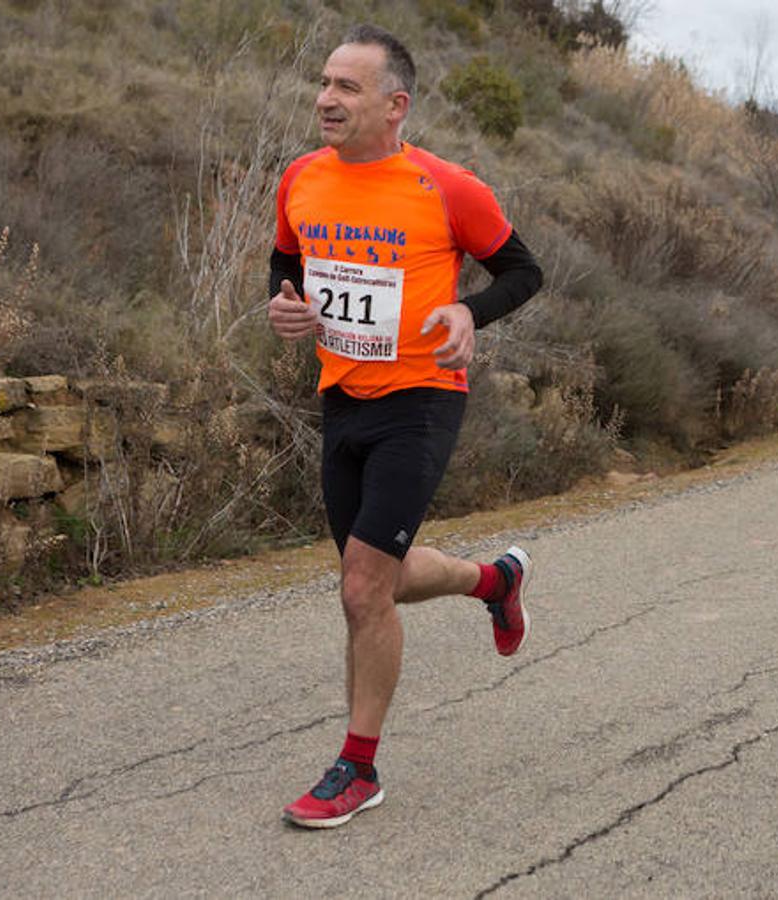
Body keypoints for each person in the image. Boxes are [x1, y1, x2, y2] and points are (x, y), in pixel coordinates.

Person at [266, 24, 544, 830]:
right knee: (374, 582)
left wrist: (467, 308)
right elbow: (287, 258)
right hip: (341, 394)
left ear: (395, 106)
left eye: (346, 88)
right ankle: (494, 582)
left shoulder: (447, 186)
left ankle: (357, 767)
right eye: (324, 83)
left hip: (421, 398)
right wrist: (288, 301)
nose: (325, 99)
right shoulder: (300, 179)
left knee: (360, 589)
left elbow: (522, 270)